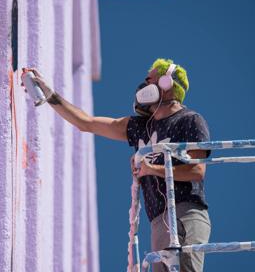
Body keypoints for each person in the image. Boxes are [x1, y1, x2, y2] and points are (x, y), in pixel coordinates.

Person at [24, 58, 211, 272]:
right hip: (158, 221)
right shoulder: (141, 127)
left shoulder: (190, 119)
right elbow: (86, 122)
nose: (144, 84)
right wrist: (51, 96)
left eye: (150, 79)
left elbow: (196, 170)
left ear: (167, 83)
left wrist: (152, 169)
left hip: (185, 213)